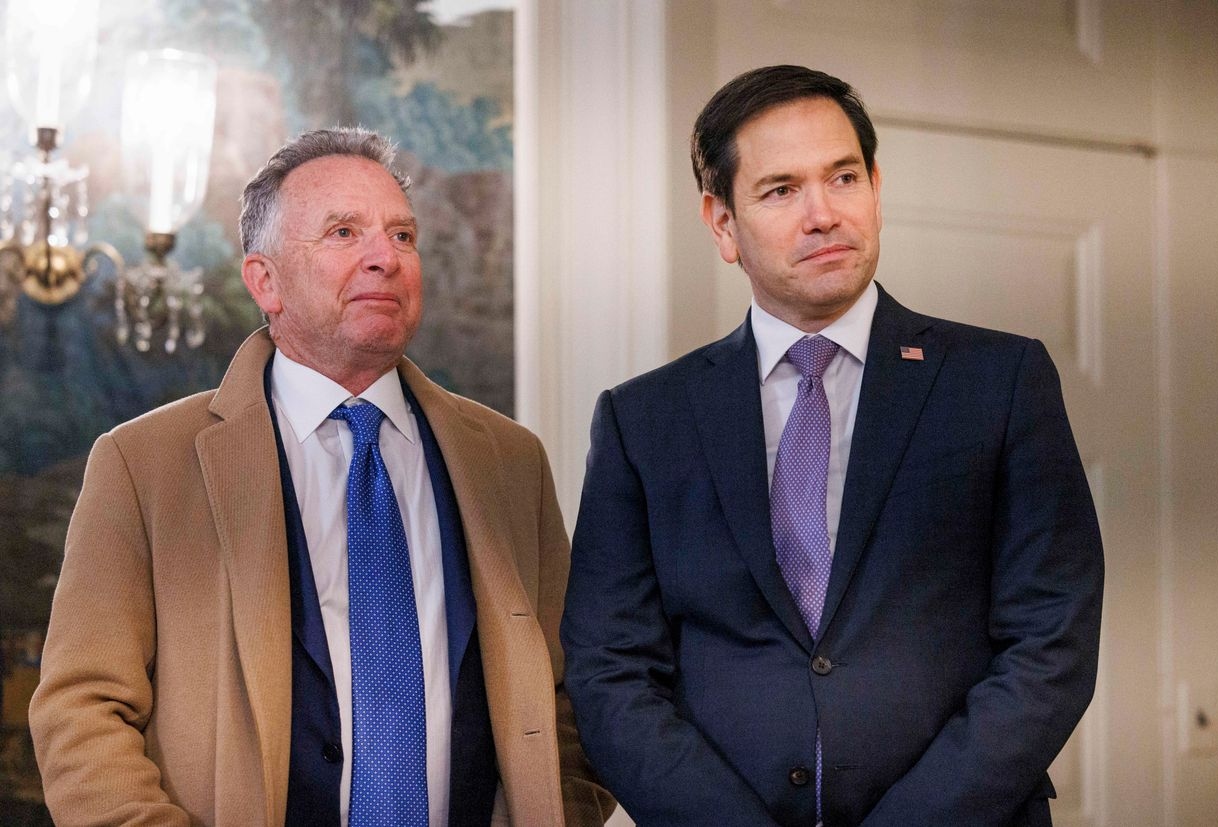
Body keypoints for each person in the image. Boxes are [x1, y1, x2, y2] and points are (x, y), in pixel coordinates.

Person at [561, 65, 1104, 826]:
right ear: (721, 223)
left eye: (843, 177)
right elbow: (609, 670)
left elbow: (1052, 641)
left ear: (876, 187)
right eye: (781, 190)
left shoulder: (1001, 382)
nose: (823, 214)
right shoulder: (643, 420)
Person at [30, 127, 610, 826]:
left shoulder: (512, 462)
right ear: (263, 280)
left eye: (402, 235)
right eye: (344, 232)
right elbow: (83, 708)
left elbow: (572, 696)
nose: (385, 259)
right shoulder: (143, 465)